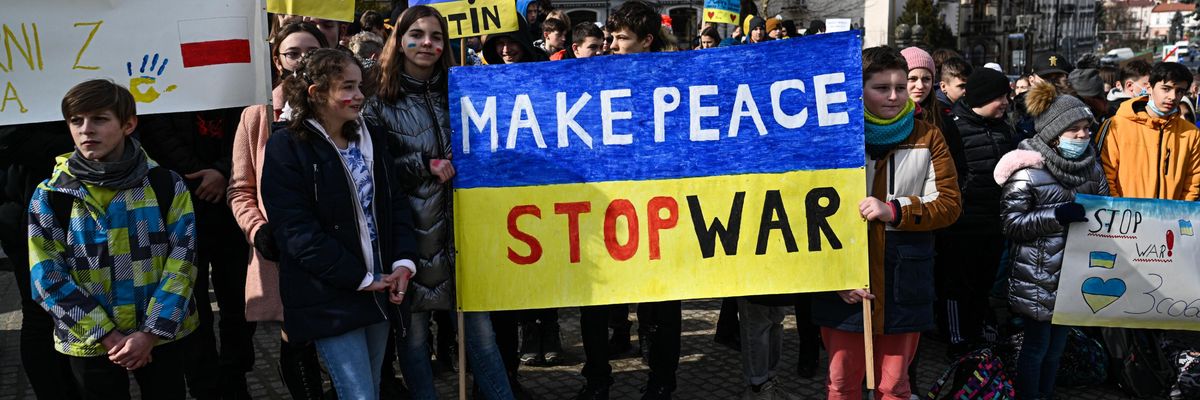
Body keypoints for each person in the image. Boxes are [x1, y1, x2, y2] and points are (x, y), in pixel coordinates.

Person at [362, 6, 517, 400]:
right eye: (417, 34)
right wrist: (421, 165)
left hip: (465, 238)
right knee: (414, 343)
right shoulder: (377, 101)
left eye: (435, 36)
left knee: (482, 339)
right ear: (399, 40)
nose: (426, 43)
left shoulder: (464, 92)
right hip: (411, 240)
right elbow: (369, 171)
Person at [261, 48, 417, 400]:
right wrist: (359, 278)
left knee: (370, 389)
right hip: (330, 294)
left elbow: (395, 204)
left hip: (382, 285)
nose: (359, 96)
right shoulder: (285, 147)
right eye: (347, 87)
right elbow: (296, 232)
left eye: (360, 86)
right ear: (316, 93)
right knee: (358, 393)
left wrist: (403, 262)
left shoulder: (372, 136)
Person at [29, 79, 199, 399]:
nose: (86, 129)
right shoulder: (52, 195)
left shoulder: (165, 184)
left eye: (100, 119)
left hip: (161, 339)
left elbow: (183, 263)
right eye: (76, 120)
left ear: (128, 124)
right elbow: (45, 275)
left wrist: (149, 334)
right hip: (90, 342)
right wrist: (105, 334)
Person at [812, 46, 961, 400]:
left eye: (900, 86)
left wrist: (896, 210)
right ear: (858, 88)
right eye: (882, 88)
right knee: (842, 383)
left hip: (903, 281)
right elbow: (808, 215)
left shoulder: (929, 136)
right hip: (844, 281)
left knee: (894, 385)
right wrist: (835, 277)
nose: (895, 96)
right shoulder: (833, 139)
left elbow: (950, 204)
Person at [574, 4, 680, 399]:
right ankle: (597, 379)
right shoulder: (592, 77)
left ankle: (661, 381)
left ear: (647, 41)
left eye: (621, 39)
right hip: (604, 210)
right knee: (594, 303)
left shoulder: (674, 81)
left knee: (662, 306)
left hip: (658, 211)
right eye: (609, 38)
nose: (611, 46)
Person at [227, 21, 332, 399]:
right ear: (277, 59)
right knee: (297, 338)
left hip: (338, 246)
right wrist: (258, 231)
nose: (301, 60)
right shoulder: (256, 115)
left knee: (339, 339)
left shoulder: (345, 109)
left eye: (310, 52)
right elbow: (240, 189)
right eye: (292, 53)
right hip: (284, 252)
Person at [994, 82, 1108, 400]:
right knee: (1036, 349)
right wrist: (1056, 217)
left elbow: (1106, 211)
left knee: (1057, 348)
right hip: (1038, 278)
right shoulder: (1027, 173)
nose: (1084, 136)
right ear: (1055, 135)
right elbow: (1012, 224)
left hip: (1074, 276)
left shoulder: (1093, 170)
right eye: (1075, 131)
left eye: (1087, 129)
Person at [938, 68, 1016, 358]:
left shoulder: (1004, 129)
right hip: (960, 224)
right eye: (1001, 97)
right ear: (983, 97)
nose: (1007, 102)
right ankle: (956, 338)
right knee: (956, 285)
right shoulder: (952, 126)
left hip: (993, 224)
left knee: (983, 284)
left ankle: (978, 333)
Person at [0, 121, 80, 400]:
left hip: (91, 201)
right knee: (41, 313)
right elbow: (8, 139)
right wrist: (82, 145)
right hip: (28, 204)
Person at [1100, 61, 1200, 201]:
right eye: (1166, 89)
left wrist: (1178, 214)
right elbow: (1105, 176)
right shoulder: (1116, 126)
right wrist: (1120, 212)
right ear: (1149, 87)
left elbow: (1193, 182)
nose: (1172, 96)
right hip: (1125, 218)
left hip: (1172, 219)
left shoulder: (1192, 134)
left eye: (1180, 91)